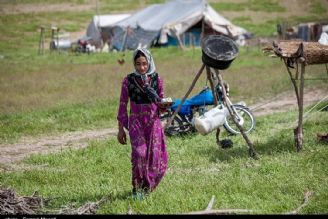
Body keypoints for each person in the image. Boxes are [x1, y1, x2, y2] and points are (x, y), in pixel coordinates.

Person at [117, 48, 168, 200]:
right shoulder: (128, 81)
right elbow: (122, 104)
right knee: (139, 154)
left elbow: (162, 103)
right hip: (136, 123)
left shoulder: (157, 80)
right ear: (134, 64)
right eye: (138, 64)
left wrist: (162, 104)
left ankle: (148, 188)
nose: (141, 68)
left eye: (145, 64)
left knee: (155, 157)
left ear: (149, 62)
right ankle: (137, 188)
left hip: (153, 123)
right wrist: (121, 130)